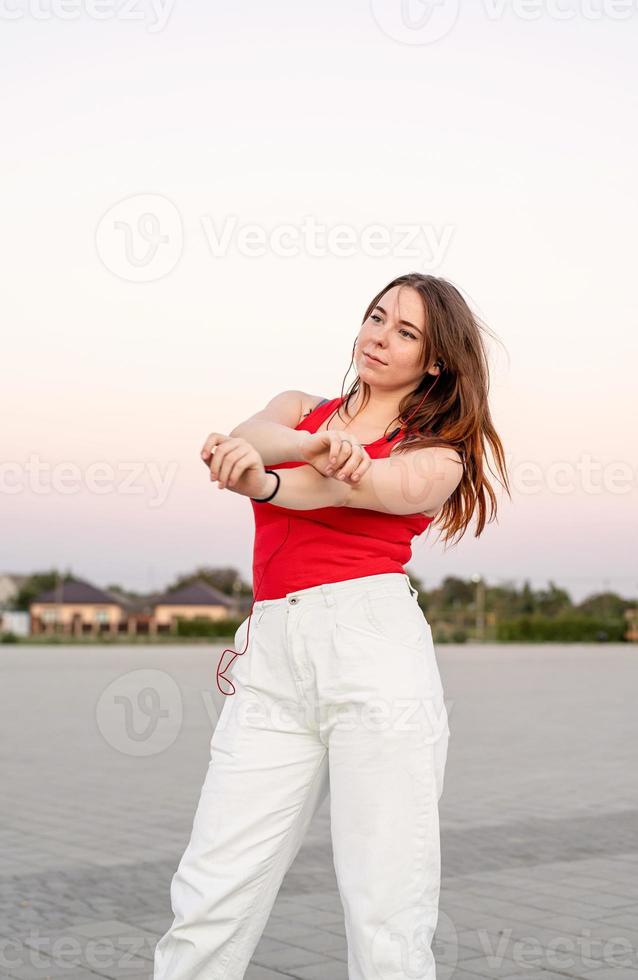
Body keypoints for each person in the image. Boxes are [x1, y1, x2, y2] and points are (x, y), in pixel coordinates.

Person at [153, 272, 510, 980]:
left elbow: (354, 488)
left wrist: (270, 480)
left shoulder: (436, 455)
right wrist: (304, 446)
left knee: (387, 910)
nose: (380, 336)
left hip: (372, 655)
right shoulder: (301, 409)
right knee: (211, 889)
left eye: (406, 332)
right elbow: (255, 436)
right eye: (377, 317)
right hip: (272, 657)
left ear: (434, 360)